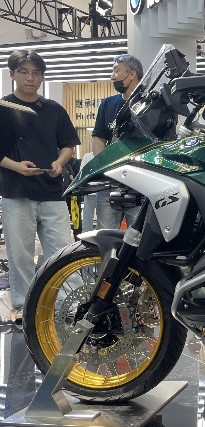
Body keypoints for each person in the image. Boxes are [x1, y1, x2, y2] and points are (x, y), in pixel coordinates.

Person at [0, 50, 80, 322]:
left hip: (52, 191)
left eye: (36, 73)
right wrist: (16, 167)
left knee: (63, 251)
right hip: (16, 191)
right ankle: (24, 306)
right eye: (24, 72)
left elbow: (68, 145)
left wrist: (59, 162)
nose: (30, 78)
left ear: (43, 77)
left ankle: (69, 303)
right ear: (12, 74)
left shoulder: (53, 109)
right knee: (20, 254)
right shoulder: (3, 108)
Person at [92, 54, 143, 229]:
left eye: (116, 71)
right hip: (110, 182)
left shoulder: (151, 104)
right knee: (105, 235)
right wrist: (102, 165)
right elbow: (98, 137)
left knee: (138, 235)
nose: (112, 76)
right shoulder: (108, 104)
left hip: (140, 183)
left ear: (132, 74)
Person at [80, 152, 97, 233]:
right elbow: (82, 172)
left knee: (88, 217)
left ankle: (86, 236)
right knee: (88, 217)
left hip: (95, 190)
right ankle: (86, 236)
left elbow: (82, 172)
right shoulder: (87, 156)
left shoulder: (88, 156)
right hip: (90, 191)